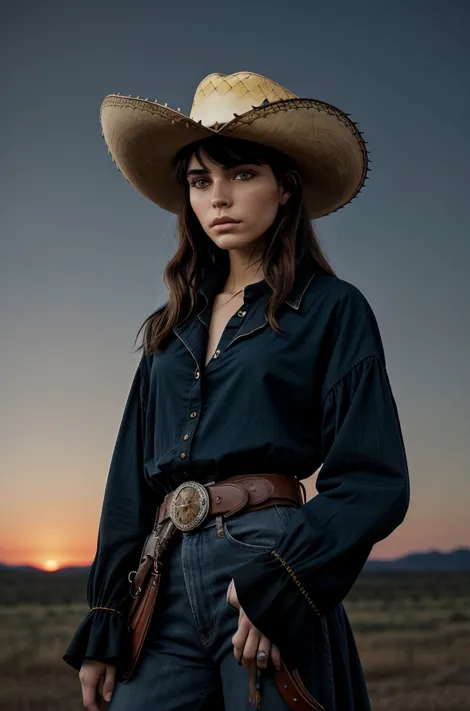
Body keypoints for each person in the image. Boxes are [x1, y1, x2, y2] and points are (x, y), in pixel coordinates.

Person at [63, 71, 410, 711]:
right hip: (159, 574)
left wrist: (286, 581)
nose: (218, 197)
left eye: (242, 174)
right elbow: (126, 491)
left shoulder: (334, 309)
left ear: (285, 187)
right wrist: (109, 613)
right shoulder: (169, 332)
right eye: (200, 182)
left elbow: (372, 476)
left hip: (267, 561)